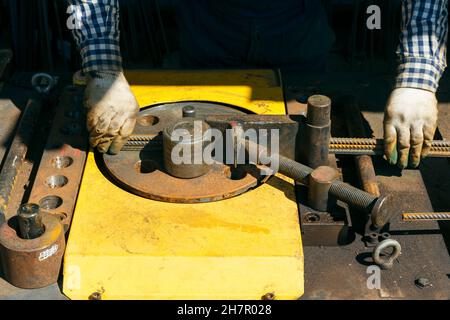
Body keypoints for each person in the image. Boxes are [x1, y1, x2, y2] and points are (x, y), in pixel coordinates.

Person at [70, 0, 448, 170]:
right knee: (204, 117)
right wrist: (104, 70)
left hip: (297, 24)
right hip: (209, 25)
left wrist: (418, 77)